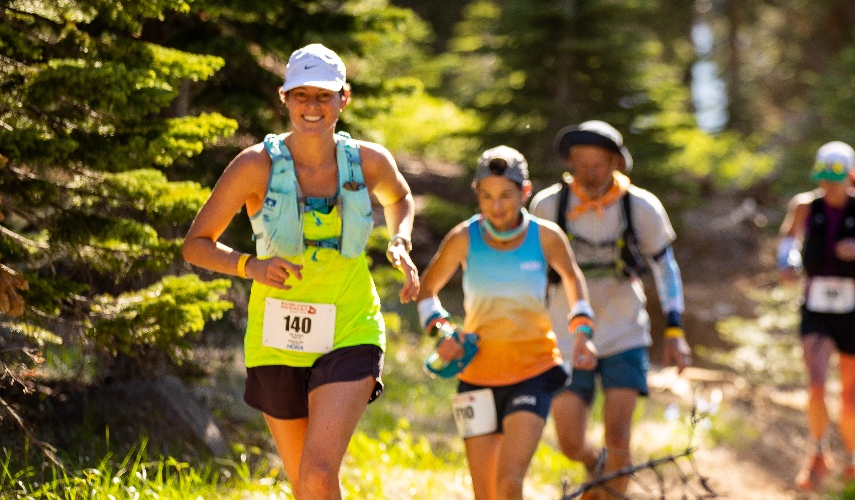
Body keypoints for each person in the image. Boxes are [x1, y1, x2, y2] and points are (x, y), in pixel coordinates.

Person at [182, 44, 419, 499]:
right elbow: (196, 246)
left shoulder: (368, 161)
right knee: (306, 485)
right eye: (302, 95)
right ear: (284, 98)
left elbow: (400, 197)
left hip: (351, 326)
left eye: (324, 96)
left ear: (343, 99)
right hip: (277, 339)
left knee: (317, 473)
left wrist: (400, 241)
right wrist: (250, 266)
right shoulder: (255, 166)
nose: (313, 106)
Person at [416, 146, 599, 500]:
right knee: (484, 494)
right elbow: (426, 291)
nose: (496, 206)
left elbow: (574, 281)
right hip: (475, 378)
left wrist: (583, 332)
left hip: (533, 370)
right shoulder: (462, 238)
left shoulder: (546, 237)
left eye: (506, 196)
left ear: (525, 193)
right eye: (486, 197)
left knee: (509, 482)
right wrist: (441, 332)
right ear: (476, 195)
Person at [529, 120, 692, 498]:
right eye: (580, 163)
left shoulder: (641, 207)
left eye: (598, 164)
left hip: (624, 331)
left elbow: (665, 268)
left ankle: (605, 492)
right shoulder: (549, 205)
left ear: (617, 163)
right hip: (566, 334)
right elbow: (533, 271)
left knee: (618, 434)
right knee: (569, 440)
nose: (589, 173)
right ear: (569, 162)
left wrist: (674, 329)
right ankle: (596, 469)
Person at [775, 141, 855, 489]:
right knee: (816, 386)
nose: (829, 187)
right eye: (824, 179)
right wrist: (788, 263)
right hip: (815, 307)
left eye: (836, 179)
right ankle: (818, 453)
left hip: (854, 309)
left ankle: (852, 456)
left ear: (851, 177)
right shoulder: (803, 206)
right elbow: (788, 240)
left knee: (849, 396)